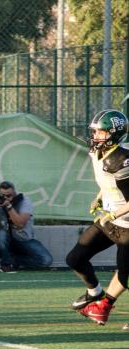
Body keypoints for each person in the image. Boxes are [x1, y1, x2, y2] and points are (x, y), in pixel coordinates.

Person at [66, 109, 129, 326]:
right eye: (95, 131)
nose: (95, 136)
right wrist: (100, 197)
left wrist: (113, 213)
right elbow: (108, 184)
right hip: (110, 220)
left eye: (101, 132)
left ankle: (103, 308)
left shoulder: (121, 161)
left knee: (125, 274)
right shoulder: (97, 151)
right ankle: (94, 293)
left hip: (126, 224)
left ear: (114, 133)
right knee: (75, 258)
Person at [0, 181, 53, 273]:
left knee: (46, 260)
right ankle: (6, 265)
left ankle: (14, 261)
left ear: (15, 193)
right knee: (0, 233)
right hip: (5, 240)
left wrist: (9, 206)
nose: (5, 198)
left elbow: (20, 225)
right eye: (2, 195)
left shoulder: (24, 201)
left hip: (23, 240)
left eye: (9, 196)